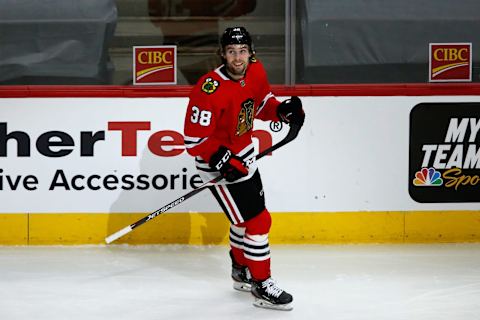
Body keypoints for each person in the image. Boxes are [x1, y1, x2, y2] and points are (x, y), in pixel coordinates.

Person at [183, 26, 305, 311]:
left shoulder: (256, 71)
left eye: (242, 51)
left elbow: (260, 103)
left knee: (243, 221)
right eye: (231, 52)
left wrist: (280, 111)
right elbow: (194, 139)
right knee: (259, 222)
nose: (237, 58)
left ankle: (241, 269)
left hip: (246, 156)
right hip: (219, 168)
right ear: (222, 55)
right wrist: (224, 160)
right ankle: (262, 284)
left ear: (251, 53)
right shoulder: (207, 88)